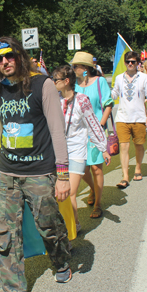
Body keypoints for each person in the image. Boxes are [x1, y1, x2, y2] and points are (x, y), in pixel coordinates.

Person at [0, 37, 72, 292]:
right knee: (4, 233)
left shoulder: (42, 85)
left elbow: (57, 130)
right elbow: (2, 129)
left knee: (48, 225)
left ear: (20, 56)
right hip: (5, 172)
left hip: (39, 172)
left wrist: (63, 175)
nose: (4, 62)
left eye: (9, 56)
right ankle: (13, 290)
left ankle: (61, 261)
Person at [53, 65, 110, 231]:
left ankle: (73, 227)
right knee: (58, 194)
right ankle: (71, 224)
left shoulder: (82, 100)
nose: (53, 82)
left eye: (56, 79)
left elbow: (93, 124)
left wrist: (103, 148)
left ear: (66, 81)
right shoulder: (55, 99)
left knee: (69, 193)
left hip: (77, 152)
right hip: (58, 153)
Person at [73, 51, 113, 218]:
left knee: (96, 168)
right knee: (81, 169)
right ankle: (93, 188)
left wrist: (101, 125)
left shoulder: (100, 82)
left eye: (76, 66)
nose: (73, 68)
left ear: (85, 68)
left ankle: (98, 203)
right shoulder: (73, 84)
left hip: (96, 132)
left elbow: (108, 104)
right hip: (79, 134)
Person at [111, 51, 147, 188]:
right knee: (124, 146)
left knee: (139, 145)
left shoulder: (144, 78)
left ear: (137, 63)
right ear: (125, 63)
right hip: (122, 118)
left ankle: (138, 168)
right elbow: (114, 94)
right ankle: (125, 176)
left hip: (139, 117)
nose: (130, 64)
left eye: (133, 62)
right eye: (128, 61)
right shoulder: (119, 78)